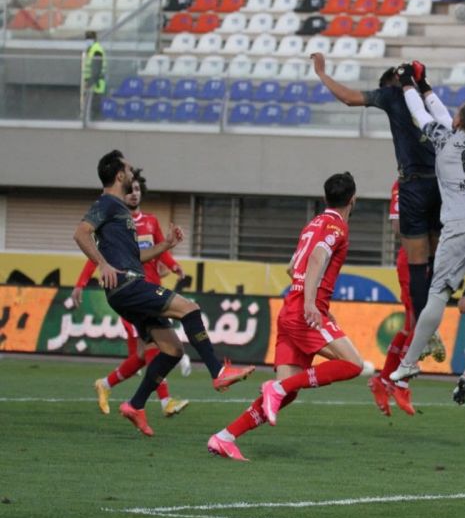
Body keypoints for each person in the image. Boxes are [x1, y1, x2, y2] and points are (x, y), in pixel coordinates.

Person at [73, 150, 255, 437]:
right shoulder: (107, 202)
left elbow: (135, 257)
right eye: (128, 169)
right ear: (119, 175)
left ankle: (135, 405)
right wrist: (102, 264)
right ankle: (218, 372)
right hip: (127, 285)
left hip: (128, 285)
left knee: (172, 350)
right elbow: (81, 233)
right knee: (190, 308)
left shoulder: (120, 209)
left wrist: (166, 245)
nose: (132, 173)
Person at [207, 172, 365, 461]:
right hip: (304, 312)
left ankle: (225, 437)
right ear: (353, 199)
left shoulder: (312, 224)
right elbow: (317, 257)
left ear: (325, 197)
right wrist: (311, 303)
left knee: (288, 395)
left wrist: (309, 298)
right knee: (354, 365)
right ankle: (278, 386)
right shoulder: (337, 227)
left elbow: (293, 268)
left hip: (290, 309)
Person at [388, 64, 465, 406]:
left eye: (456, 113)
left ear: (459, 120)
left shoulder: (444, 139)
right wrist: (424, 84)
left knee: (438, 292)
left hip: (461, 223)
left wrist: (407, 83)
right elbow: (439, 111)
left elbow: (421, 113)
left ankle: (409, 362)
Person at [311, 53, 440, 327]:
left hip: (414, 184)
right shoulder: (428, 99)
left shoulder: (392, 94)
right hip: (442, 183)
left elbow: (349, 98)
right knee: (437, 258)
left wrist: (322, 73)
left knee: (417, 262)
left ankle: (426, 329)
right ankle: (437, 317)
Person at [72, 168, 191, 418]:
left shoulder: (150, 221)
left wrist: (173, 266)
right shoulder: (114, 220)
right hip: (129, 292)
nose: (134, 194)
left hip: (150, 289)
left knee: (142, 354)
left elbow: (162, 249)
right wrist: (81, 283)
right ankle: (165, 401)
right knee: (153, 348)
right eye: (131, 189)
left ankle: (106, 384)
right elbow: (96, 256)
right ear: (122, 191)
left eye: (138, 190)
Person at [368, 180, 446, 418]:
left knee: (411, 324)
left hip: (434, 260)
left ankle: (384, 380)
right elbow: (397, 226)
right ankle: (400, 383)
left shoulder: (442, 180)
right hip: (414, 259)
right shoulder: (405, 183)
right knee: (420, 320)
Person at [82, 30, 106, 120]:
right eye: (87, 38)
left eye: (90, 38)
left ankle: (95, 121)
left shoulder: (96, 50)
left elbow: (96, 68)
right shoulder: (91, 49)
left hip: (96, 84)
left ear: (94, 39)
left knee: (94, 106)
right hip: (92, 82)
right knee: (91, 106)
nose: (88, 40)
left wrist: (90, 83)